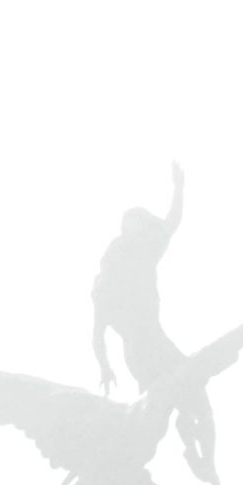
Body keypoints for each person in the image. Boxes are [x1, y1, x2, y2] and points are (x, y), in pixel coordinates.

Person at [90, 162, 185, 393]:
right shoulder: (109, 285)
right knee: (163, 392)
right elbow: (97, 334)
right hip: (141, 347)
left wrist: (179, 188)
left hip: (155, 339)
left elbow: (170, 223)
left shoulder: (144, 255)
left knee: (188, 380)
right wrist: (104, 367)